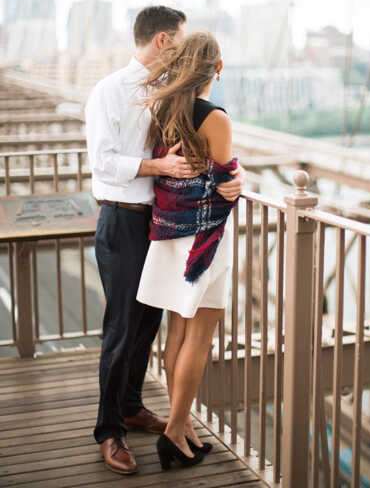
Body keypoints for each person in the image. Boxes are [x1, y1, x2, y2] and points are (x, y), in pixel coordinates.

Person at [85, 7, 244, 475]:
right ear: (160, 41)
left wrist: (233, 177)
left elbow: (205, 156)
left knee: (149, 324)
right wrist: (160, 167)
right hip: (122, 218)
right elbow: (102, 161)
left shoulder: (167, 95)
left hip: (157, 224)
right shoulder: (110, 91)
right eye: (177, 40)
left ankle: (132, 405)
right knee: (121, 329)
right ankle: (108, 430)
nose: (182, 48)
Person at [136, 31, 238, 470]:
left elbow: (182, 170)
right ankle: (175, 431)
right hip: (204, 240)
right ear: (216, 68)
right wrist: (240, 178)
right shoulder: (215, 117)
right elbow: (225, 178)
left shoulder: (162, 109)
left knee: (178, 332)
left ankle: (183, 424)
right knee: (201, 335)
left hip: (168, 231)